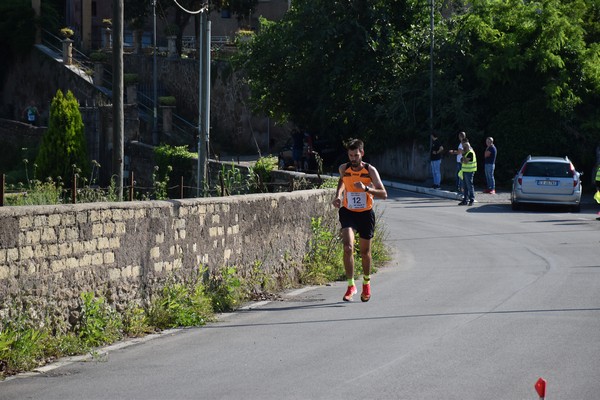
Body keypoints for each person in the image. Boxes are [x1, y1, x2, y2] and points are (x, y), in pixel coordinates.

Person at [332, 139, 387, 302]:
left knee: (365, 252)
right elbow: (342, 180)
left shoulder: (370, 170)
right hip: (348, 212)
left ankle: (366, 284)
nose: (353, 159)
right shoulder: (343, 168)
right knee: (348, 247)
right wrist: (338, 195)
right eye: (350, 155)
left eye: (356, 155)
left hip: (365, 214)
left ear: (362, 153)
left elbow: (384, 193)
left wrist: (366, 188)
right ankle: (350, 285)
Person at [458, 139, 477, 206]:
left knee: (469, 186)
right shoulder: (466, 152)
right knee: (465, 187)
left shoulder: (470, 153)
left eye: (463, 145)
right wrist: (463, 159)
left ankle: (471, 199)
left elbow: (465, 161)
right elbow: (461, 160)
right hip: (465, 171)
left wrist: (463, 159)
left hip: (469, 172)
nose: (462, 147)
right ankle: (465, 200)